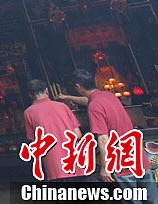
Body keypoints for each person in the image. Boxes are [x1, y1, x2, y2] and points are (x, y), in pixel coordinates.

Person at [58, 69, 158, 201]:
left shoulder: (94, 106)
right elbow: (88, 100)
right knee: (152, 199)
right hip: (138, 158)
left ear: (78, 86)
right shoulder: (108, 96)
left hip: (122, 163)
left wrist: (105, 167)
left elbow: (103, 138)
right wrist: (67, 98)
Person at [22, 79, 83, 181]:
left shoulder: (29, 113)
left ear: (30, 95)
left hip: (54, 166)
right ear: (47, 91)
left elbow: (34, 142)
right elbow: (78, 134)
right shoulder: (63, 107)